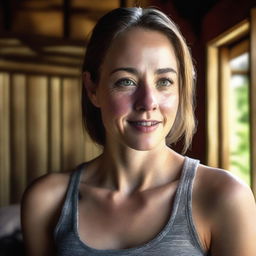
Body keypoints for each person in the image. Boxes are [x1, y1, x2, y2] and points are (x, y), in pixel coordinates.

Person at [21, 7, 256, 256]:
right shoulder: (46, 201)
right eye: (126, 81)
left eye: (164, 81)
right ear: (93, 89)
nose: (148, 101)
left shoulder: (225, 197)